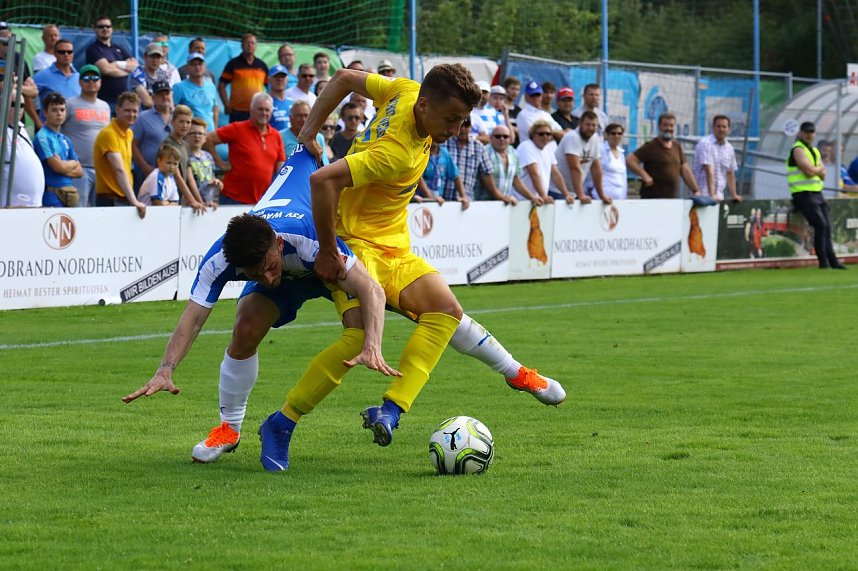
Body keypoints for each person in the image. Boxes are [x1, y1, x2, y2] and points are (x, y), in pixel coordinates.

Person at [297, 65, 566, 453]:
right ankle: (276, 421)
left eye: (463, 120)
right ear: (424, 106)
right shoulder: (397, 151)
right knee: (354, 336)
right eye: (452, 120)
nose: (456, 130)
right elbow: (323, 180)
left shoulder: (405, 90)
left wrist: (309, 129)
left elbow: (342, 77)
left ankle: (398, 408)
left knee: (445, 310)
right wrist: (327, 250)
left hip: (392, 243)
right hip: (355, 244)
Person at [122, 149, 398, 470]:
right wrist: (165, 368)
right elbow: (193, 317)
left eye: (268, 267)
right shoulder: (221, 259)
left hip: (325, 264)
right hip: (292, 276)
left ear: (278, 244)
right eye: (254, 275)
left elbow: (372, 291)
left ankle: (456, 333)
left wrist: (373, 345)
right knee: (246, 325)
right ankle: (229, 430)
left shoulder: (305, 237)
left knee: (388, 316)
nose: (266, 279)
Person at [204, 92, 285, 205]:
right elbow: (207, 140)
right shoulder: (237, 128)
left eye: (267, 110)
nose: (264, 113)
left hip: (261, 201)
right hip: (233, 198)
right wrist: (220, 163)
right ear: (251, 110)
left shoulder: (276, 136)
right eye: (260, 109)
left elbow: (280, 167)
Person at [787, 121, 847, 270]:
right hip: (803, 194)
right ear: (801, 133)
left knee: (827, 226)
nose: (809, 135)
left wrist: (816, 170)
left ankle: (832, 261)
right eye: (806, 132)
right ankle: (824, 262)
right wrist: (817, 169)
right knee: (820, 225)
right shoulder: (798, 149)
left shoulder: (814, 150)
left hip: (816, 193)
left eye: (812, 132)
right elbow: (809, 171)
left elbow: (823, 174)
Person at [62, 65, 110, 207]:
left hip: (101, 169)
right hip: (78, 169)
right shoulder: (69, 104)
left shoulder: (105, 106)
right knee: (78, 210)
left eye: (95, 78)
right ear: (80, 82)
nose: (91, 81)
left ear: (100, 82)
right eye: (87, 78)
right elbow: (55, 129)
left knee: (99, 213)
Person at [93, 91, 146, 217]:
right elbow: (119, 170)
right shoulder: (109, 134)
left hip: (122, 199)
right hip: (109, 200)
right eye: (127, 110)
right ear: (117, 110)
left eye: (135, 111)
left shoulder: (129, 133)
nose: (131, 114)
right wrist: (134, 201)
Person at [626, 112, 701, 199]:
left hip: (671, 199)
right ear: (659, 126)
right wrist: (644, 175)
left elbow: (685, 170)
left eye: (671, 126)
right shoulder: (651, 146)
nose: (668, 128)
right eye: (665, 125)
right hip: (652, 199)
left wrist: (696, 190)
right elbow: (630, 160)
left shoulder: (677, 147)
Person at [34, 92, 82, 207]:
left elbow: (80, 171)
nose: (59, 114)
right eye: (54, 110)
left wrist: (65, 165)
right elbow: (57, 167)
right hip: (51, 193)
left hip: (70, 192)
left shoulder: (65, 139)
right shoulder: (43, 137)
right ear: (45, 112)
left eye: (62, 110)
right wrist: (72, 163)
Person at [554, 111, 612, 204]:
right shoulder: (572, 137)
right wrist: (581, 195)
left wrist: (602, 195)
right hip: (557, 190)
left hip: (573, 192)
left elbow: (596, 168)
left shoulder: (595, 138)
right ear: (580, 123)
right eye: (588, 125)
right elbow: (574, 168)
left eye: (594, 125)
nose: (591, 128)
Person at [2, 88, 45, 208]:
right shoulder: (1, 129)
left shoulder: (21, 127)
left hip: (32, 202)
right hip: (10, 201)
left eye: (21, 105)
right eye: (13, 104)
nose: (18, 109)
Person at [84, 16, 137, 112]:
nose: (105, 29)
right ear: (95, 29)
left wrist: (116, 64)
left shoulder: (119, 47)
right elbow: (105, 69)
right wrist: (126, 70)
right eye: (101, 27)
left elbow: (135, 67)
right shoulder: (93, 49)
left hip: (124, 102)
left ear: (112, 29)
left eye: (108, 26)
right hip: (105, 102)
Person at [443, 117, 500, 205]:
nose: (463, 129)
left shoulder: (478, 147)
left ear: (471, 127)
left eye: (466, 126)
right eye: (461, 126)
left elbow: (487, 174)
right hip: (442, 200)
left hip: (467, 201)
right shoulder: (444, 142)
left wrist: (498, 195)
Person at [161, 104, 206, 211]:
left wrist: (200, 202)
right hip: (168, 198)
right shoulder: (168, 144)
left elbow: (190, 179)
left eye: (188, 122)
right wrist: (192, 201)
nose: (185, 125)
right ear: (172, 122)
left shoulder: (186, 145)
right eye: (181, 121)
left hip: (181, 199)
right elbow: (177, 176)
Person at [484, 125, 541, 205]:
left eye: (505, 136)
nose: (502, 139)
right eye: (498, 136)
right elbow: (485, 179)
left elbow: (516, 180)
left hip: (504, 202)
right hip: (484, 202)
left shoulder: (513, 152)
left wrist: (532, 197)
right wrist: (500, 197)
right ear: (491, 138)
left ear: (510, 138)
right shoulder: (485, 152)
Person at [131, 80, 172, 190]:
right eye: (160, 94)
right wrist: (145, 167)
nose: (164, 97)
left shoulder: (178, 117)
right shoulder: (142, 118)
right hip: (148, 173)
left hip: (173, 174)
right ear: (153, 97)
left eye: (166, 94)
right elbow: (133, 145)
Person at [0, 23, 42, 129]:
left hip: (15, 122)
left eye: (11, 41)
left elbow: (33, 91)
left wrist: (13, 87)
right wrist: (18, 87)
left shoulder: (18, 58)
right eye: (5, 42)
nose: (10, 45)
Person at [218, 33, 267, 123]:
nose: (250, 45)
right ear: (242, 45)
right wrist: (226, 104)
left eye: (252, 43)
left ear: (256, 46)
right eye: (247, 43)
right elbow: (221, 86)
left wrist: (267, 106)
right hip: (237, 111)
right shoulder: (233, 64)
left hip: (257, 110)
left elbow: (270, 87)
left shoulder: (262, 65)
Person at [516, 120, 568, 203]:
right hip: (521, 200)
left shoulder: (548, 149)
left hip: (537, 200)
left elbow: (556, 174)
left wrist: (566, 195)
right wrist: (543, 196)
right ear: (533, 135)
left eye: (548, 134)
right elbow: (534, 174)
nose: (545, 136)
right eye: (541, 134)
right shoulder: (526, 146)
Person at [693, 115, 742, 202]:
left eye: (724, 127)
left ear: (729, 129)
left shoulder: (729, 148)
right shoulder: (705, 143)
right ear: (713, 128)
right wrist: (712, 195)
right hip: (702, 196)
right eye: (718, 126)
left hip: (719, 197)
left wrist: (734, 195)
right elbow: (709, 170)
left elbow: (730, 173)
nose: (721, 129)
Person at [172, 52, 220, 131]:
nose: (197, 67)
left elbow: (215, 108)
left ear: (204, 66)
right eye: (193, 64)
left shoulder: (211, 86)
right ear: (187, 67)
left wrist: (215, 128)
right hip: (190, 135)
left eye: (200, 64)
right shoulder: (179, 87)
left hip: (209, 134)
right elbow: (172, 110)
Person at [33, 38, 80, 112]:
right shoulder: (42, 76)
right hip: (50, 123)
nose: (66, 54)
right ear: (55, 53)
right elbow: (26, 96)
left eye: (69, 52)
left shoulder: (79, 77)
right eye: (61, 52)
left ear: (73, 54)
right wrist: (37, 121)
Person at [187, 117, 222, 207]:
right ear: (186, 135)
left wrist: (217, 182)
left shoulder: (208, 156)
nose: (197, 136)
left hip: (208, 204)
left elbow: (211, 178)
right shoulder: (184, 156)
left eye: (200, 133)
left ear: (205, 138)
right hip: (191, 205)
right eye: (193, 133)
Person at [515, 81, 563, 146]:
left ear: (541, 95)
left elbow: (561, 132)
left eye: (538, 95)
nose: (535, 98)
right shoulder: (523, 115)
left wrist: (551, 133)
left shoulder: (545, 114)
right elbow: (537, 136)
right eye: (532, 95)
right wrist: (553, 133)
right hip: (530, 151)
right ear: (526, 96)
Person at [130, 42, 172, 109]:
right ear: (145, 57)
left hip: (160, 112)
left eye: (158, 57)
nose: (155, 60)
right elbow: (147, 102)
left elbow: (170, 98)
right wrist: (164, 106)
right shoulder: (137, 74)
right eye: (152, 57)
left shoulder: (163, 74)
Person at [600, 123, 629, 201]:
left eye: (619, 133)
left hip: (620, 198)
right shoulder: (601, 150)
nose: (616, 136)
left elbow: (623, 176)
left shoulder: (621, 153)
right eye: (613, 133)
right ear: (607, 135)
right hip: (603, 198)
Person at [267, 64, 294, 132]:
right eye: (276, 77)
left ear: (287, 79)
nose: (280, 79)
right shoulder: (264, 103)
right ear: (269, 80)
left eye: (283, 76)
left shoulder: (293, 103)